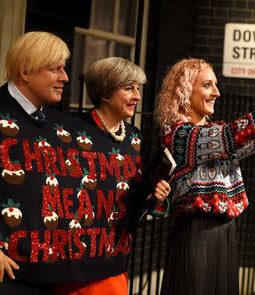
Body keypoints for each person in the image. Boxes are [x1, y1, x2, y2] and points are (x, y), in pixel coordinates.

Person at [0, 31, 169, 295]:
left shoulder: (57, 125)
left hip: (46, 278)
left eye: (64, 69)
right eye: (55, 69)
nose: (65, 78)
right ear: (25, 71)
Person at [153, 58, 255, 295]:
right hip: (196, 236)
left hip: (225, 234)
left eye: (215, 85)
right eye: (207, 85)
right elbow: (233, 134)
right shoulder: (180, 135)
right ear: (184, 90)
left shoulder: (213, 137)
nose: (217, 92)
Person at [51, 56, 170, 294]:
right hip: (72, 264)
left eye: (137, 88)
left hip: (114, 262)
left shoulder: (135, 139)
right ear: (105, 93)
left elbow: (138, 203)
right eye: (128, 88)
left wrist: (158, 198)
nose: (137, 96)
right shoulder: (69, 129)